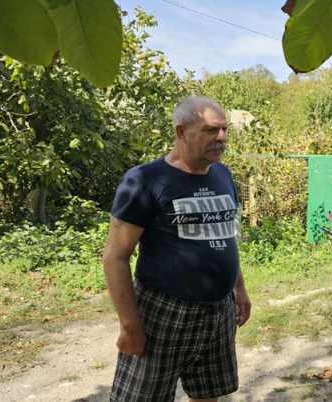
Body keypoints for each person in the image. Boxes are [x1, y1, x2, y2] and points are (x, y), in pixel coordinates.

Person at [102, 95, 251, 402]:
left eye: (224, 130)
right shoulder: (145, 180)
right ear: (181, 132)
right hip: (163, 312)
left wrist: (239, 288)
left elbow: (224, 235)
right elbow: (115, 257)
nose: (221, 138)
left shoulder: (222, 174)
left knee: (209, 394)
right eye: (211, 130)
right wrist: (131, 327)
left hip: (217, 311)